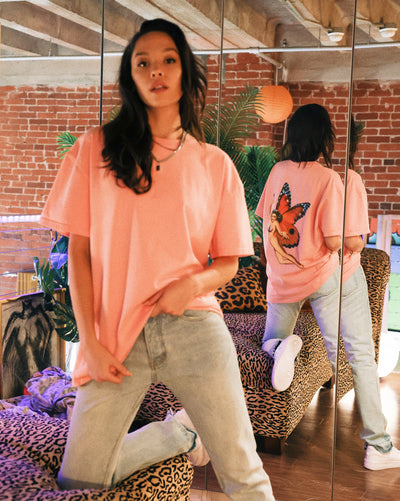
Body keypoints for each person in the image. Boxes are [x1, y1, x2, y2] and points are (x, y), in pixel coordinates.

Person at [40, 18, 275, 500]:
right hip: (115, 337)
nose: (156, 71)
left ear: (185, 71)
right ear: (130, 76)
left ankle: (182, 434)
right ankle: (176, 435)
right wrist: (90, 343)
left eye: (168, 60)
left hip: (195, 328)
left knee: (243, 472)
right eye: (142, 62)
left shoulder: (215, 165)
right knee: (79, 481)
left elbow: (228, 263)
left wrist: (191, 285)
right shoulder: (94, 150)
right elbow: (78, 252)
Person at [256, 103, 344, 393]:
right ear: (324, 139)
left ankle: (281, 348)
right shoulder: (329, 178)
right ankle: (335, 375)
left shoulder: (278, 170)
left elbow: (264, 219)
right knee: (337, 340)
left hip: (282, 279)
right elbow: (333, 241)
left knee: (269, 344)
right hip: (320, 275)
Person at [339, 116, 400, 469]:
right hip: (340, 275)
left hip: (294, 277)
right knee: (361, 355)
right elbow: (356, 240)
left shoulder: (294, 174)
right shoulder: (350, 179)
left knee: (274, 344)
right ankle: (378, 446)